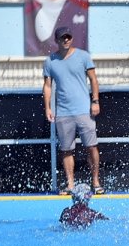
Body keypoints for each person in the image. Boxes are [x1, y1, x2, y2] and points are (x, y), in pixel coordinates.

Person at [43, 26, 103, 195]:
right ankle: (70, 184)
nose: (66, 40)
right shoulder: (50, 61)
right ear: (57, 40)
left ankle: (96, 181)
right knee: (66, 149)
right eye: (63, 38)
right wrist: (48, 107)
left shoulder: (83, 56)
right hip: (63, 112)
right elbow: (47, 86)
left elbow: (93, 79)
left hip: (84, 110)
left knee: (91, 146)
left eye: (68, 37)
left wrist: (95, 101)